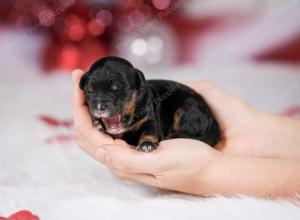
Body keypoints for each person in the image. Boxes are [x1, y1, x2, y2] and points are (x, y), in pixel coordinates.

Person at [72, 69, 300, 197]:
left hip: (187, 114)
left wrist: (212, 172)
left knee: (170, 119)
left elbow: (150, 127)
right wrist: (256, 127)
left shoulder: (147, 105)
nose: (100, 105)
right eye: (92, 92)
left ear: (138, 87)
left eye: (116, 92)